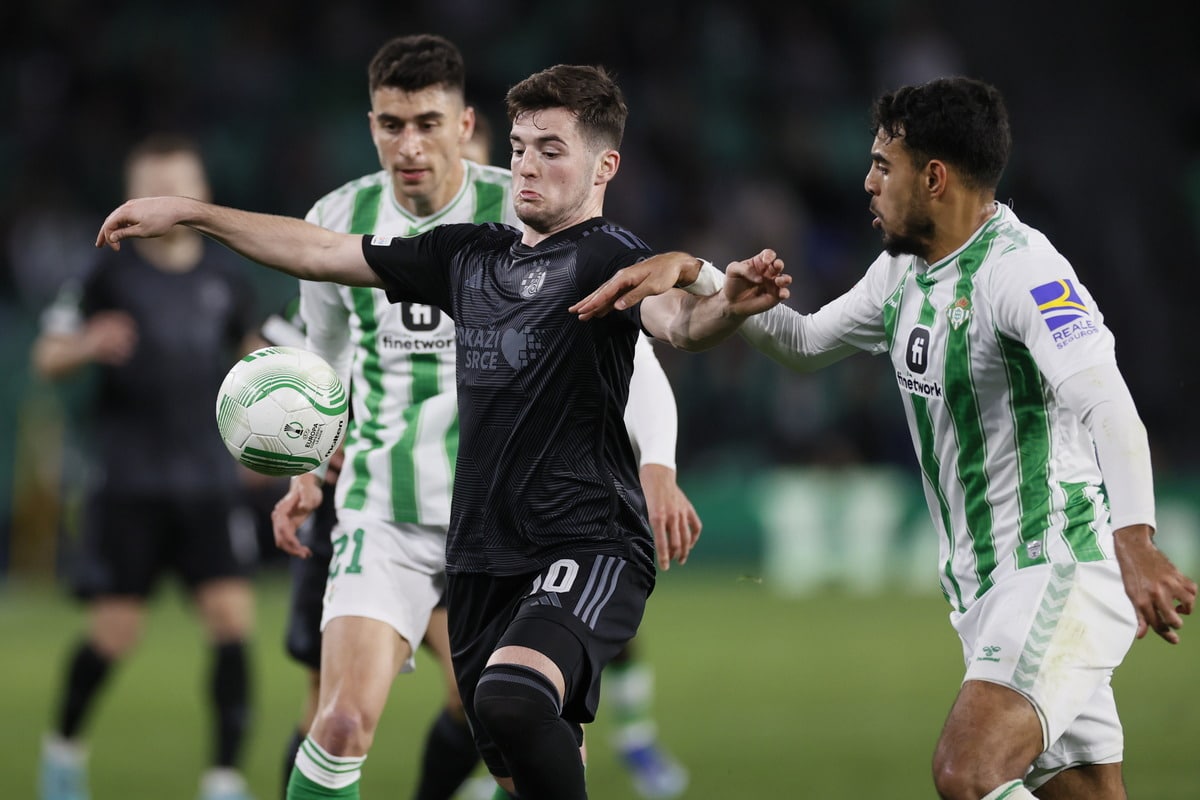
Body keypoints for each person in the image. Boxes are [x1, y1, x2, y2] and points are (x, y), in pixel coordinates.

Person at [94, 63, 788, 800]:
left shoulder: (612, 257)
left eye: (551, 149)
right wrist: (192, 214)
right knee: (518, 758)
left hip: (585, 541)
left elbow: (680, 324)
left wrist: (723, 300)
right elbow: (319, 252)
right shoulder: (468, 255)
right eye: (519, 147)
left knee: (513, 696)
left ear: (604, 166)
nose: (526, 164)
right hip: (479, 557)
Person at [574, 76, 1199, 800]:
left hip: (1057, 570)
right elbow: (805, 343)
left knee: (968, 773)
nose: (868, 183)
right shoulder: (902, 273)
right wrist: (701, 275)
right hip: (988, 589)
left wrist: (1135, 540)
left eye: (882, 165)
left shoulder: (1024, 272)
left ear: (933, 178)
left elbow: (1108, 404)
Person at [258, 42, 701, 800]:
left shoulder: (525, 207)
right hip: (385, 507)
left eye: (427, 123)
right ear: (371, 126)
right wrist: (307, 465)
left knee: (504, 711)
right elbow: (322, 357)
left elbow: (633, 351)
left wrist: (656, 463)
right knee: (340, 722)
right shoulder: (337, 218)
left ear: (464, 125)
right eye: (391, 125)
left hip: (518, 518)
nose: (409, 145)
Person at [34, 134, 261, 800]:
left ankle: (223, 780)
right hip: (129, 481)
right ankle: (62, 753)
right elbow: (47, 357)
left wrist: (269, 433)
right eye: (150, 189)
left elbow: (256, 357)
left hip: (209, 482)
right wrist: (86, 343)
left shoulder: (226, 273)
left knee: (232, 621)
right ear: (129, 198)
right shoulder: (104, 269)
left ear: (201, 194)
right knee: (115, 633)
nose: (163, 201)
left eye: (176, 187)